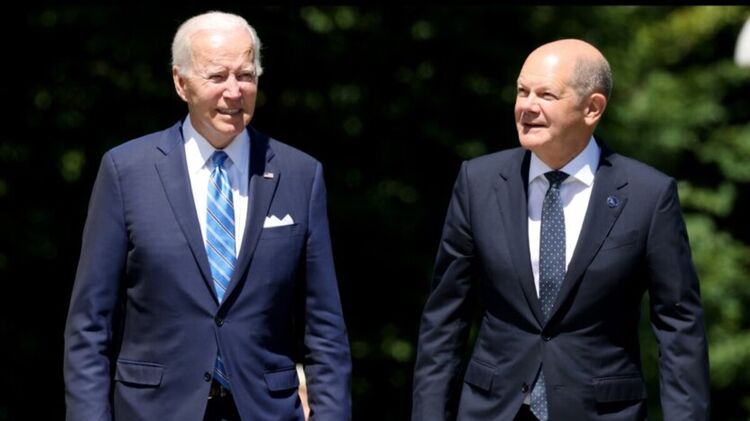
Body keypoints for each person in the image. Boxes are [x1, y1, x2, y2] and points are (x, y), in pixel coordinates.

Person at [63, 11, 351, 421]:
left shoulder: (300, 174)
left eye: (246, 75)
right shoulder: (127, 171)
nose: (234, 91)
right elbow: (90, 324)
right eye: (217, 76)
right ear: (181, 82)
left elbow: (324, 329)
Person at [411, 39, 709, 420]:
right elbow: (445, 319)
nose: (527, 106)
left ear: (592, 108)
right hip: (494, 409)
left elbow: (679, 327)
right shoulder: (478, 182)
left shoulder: (648, 195)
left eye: (546, 94)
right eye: (522, 91)